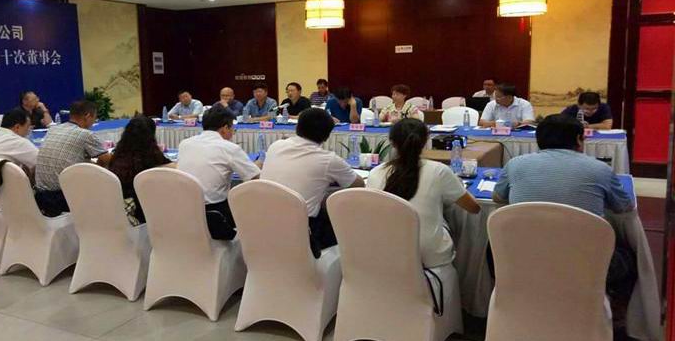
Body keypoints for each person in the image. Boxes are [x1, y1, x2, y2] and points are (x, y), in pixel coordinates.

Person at [493, 114, 635, 303]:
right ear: (578, 139)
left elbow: (498, 198)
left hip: (523, 257)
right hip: (585, 262)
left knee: (491, 247)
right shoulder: (600, 169)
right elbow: (625, 207)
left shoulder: (514, 164)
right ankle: (614, 308)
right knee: (629, 256)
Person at [368, 118, 481, 268]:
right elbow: (474, 208)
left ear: (392, 143)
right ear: (426, 142)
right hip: (430, 256)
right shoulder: (439, 171)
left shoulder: (375, 173)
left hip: (385, 250)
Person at [262, 108, 365, 256]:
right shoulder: (328, 160)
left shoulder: (276, 146)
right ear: (327, 136)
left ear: (297, 127)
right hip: (303, 230)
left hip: (265, 221)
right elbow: (358, 185)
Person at [177, 106, 261, 239]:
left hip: (182, 213)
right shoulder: (229, 148)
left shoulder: (184, 144)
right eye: (233, 129)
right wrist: (259, 163)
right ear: (225, 128)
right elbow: (255, 178)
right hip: (215, 216)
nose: (233, 133)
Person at [35, 100, 110, 217]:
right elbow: (107, 160)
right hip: (63, 199)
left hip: (40, 197)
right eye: (94, 118)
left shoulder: (54, 129)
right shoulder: (85, 134)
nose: (94, 122)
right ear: (87, 116)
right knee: (106, 186)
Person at [108, 115, 175, 226]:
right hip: (139, 209)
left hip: (116, 207)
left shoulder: (118, 153)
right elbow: (170, 166)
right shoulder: (150, 154)